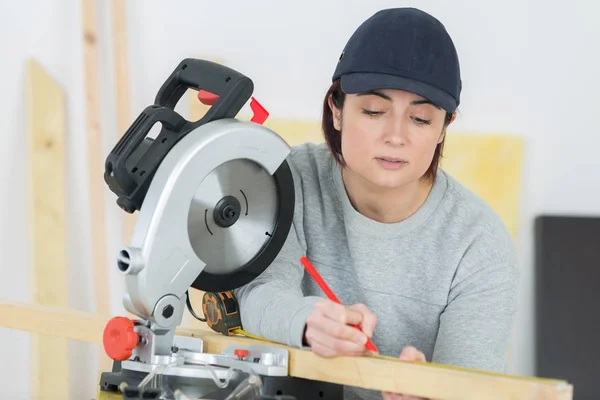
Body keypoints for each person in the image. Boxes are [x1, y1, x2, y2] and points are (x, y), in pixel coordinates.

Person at [233, 7, 519, 400]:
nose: (395, 136)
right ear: (336, 109)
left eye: (420, 119)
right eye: (373, 111)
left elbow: (468, 386)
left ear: (443, 129)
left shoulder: (480, 244)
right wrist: (306, 321)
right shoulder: (290, 181)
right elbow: (260, 292)